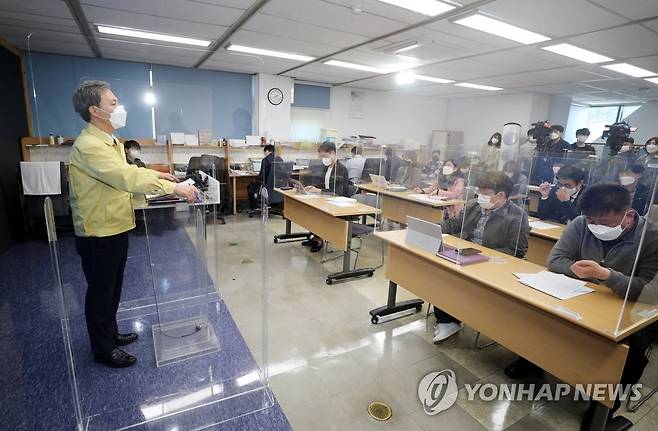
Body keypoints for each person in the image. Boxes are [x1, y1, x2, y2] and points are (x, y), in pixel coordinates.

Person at [505, 184, 658, 429]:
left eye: (605, 222)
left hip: (632, 309)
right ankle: (530, 360)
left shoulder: (651, 237)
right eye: (592, 220)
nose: (597, 226)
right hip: (583, 295)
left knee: (632, 349)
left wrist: (608, 276)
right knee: (538, 314)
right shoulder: (580, 223)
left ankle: (605, 407)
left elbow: (651, 293)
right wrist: (573, 270)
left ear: (628, 215)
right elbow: (555, 261)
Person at [69, 81, 198, 368]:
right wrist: (170, 189)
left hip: (115, 226)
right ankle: (103, 349)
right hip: (98, 230)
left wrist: (161, 176)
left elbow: (128, 170)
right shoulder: (90, 146)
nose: (119, 107)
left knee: (113, 288)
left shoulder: (110, 142)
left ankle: (110, 334)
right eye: (113, 103)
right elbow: (124, 178)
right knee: (101, 291)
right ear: (95, 110)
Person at [431, 172, 529, 342]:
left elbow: (517, 251)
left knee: (454, 279)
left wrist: (483, 256)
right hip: (465, 256)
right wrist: (432, 228)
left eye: (485, 193)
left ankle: (456, 317)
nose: (480, 196)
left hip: (491, 266)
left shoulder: (517, 216)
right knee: (440, 271)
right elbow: (454, 224)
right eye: (479, 192)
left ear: (501, 195)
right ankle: (447, 319)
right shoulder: (473, 205)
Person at [302, 141, 351, 252]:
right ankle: (315, 236)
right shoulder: (328, 167)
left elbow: (339, 191)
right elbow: (324, 183)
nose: (323, 159)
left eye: (325, 156)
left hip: (339, 202)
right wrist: (313, 187)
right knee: (311, 209)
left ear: (333, 153)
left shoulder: (341, 169)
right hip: (327, 198)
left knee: (318, 213)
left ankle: (319, 239)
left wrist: (319, 190)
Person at [248, 144, 282, 210]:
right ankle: (274, 205)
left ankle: (254, 208)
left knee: (250, 186)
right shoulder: (279, 159)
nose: (264, 154)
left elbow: (262, 176)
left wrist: (255, 179)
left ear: (267, 151)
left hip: (267, 187)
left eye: (264, 152)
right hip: (277, 188)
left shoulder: (266, 160)